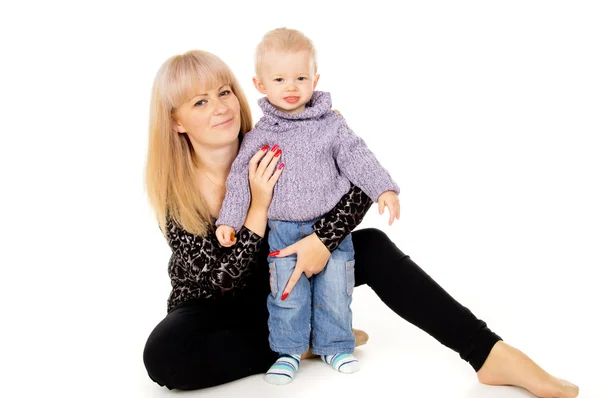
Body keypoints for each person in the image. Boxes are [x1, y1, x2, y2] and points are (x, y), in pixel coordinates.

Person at [142, 49, 579, 397]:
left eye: (224, 92)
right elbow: (223, 282)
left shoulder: (275, 138)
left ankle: (489, 353)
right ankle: (306, 337)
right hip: (214, 310)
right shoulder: (172, 190)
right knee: (164, 359)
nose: (221, 108)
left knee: (368, 244)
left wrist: (320, 242)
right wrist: (257, 207)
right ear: (177, 121)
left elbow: (356, 182)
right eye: (201, 102)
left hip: (288, 273)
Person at [214, 28, 400, 384]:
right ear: (260, 84)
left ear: (315, 79)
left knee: (334, 291)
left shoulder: (332, 126)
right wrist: (229, 221)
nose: (291, 86)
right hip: (283, 230)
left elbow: (357, 157)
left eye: (301, 77)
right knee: (287, 294)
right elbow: (240, 181)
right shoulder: (260, 135)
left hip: (331, 232)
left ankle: (334, 345)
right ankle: (288, 351)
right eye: (280, 78)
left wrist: (383, 189)